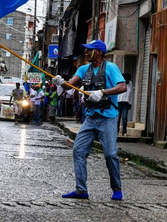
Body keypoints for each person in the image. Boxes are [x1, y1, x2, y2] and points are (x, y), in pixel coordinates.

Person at [53, 40, 127, 201]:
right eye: (86, 50)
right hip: (90, 117)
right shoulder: (83, 69)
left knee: (110, 154)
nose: (86, 53)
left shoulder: (111, 68)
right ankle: (81, 190)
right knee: (78, 150)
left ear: (99, 52)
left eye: (89, 51)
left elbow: (123, 87)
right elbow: (70, 86)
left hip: (107, 117)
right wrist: (60, 82)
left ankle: (117, 188)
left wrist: (102, 92)